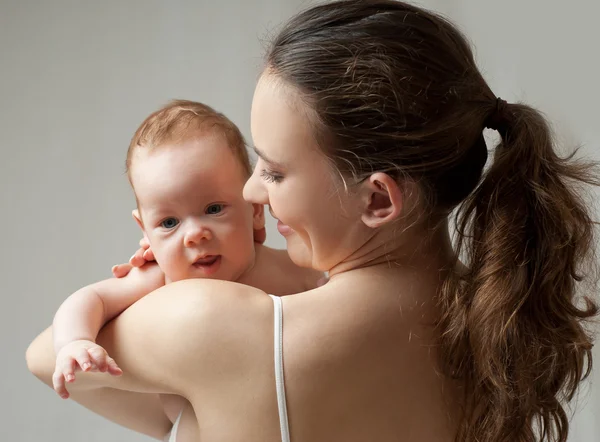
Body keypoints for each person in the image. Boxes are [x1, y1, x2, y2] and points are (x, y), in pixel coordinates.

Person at [26, 1, 598, 441]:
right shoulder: (496, 320)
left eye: (273, 172)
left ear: (377, 200)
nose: (251, 190)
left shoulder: (216, 323)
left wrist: (147, 276)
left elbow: (47, 356)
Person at [50, 99, 322, 436]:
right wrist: (74, 342)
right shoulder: (159, 279)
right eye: (168, 222)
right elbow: (91, 298)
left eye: (212, 208)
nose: (194, 234)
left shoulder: (291, 268)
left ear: (254, 209)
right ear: (145, 232)